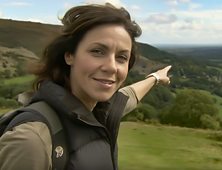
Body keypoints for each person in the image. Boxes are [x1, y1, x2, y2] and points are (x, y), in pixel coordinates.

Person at [0, 3, 171, 170]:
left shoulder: (101, 111)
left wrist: (156, 77)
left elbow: (130, 95)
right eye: (97, 51)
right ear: (69, 55)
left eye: (121, 57)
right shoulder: (31, 140)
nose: (112, 67)